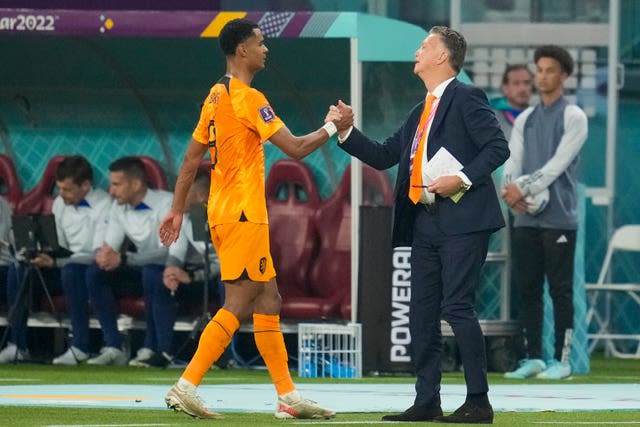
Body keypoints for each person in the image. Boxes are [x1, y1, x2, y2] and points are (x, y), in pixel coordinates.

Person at [158, 18, 348, 420]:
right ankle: (186, 384)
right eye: (261, 43)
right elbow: (296, 148)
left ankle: (287, 397)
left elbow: (192, 158)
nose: (266, 49)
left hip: (225, 213)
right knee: (241, 300)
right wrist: (335, 125)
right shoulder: (248, 97)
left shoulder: (215, 95)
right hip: (244, 213)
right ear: (242, 50)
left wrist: (176, 210)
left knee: (269, 298)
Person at [334, 26, 509, 423]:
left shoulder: (466, 97)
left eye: (425, 46)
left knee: (457, 307)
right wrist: (345, 130)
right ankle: (427, 399)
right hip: (426, 221)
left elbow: (498, 147)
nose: (417, 51)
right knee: (421, 314)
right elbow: (382, 155)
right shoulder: (420, 110)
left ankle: (478, 401)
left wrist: (461, 178)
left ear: (444, 57)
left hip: (464, 220)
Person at [502, 45, 588, 380]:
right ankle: (533, 357)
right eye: (539, 69)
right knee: (529, 289)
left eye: (550, 70)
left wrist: (521, 189)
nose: (542, 76)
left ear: (563, 75)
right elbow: (513, 159)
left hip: (559, 217)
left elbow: (557, 166)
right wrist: (510, 190)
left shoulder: (574, 117)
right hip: (525, 216)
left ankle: (561, 361)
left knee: (560, 290)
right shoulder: (525, 119)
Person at [0, 156, 111, 365]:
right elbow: (57, 244)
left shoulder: (104, 204)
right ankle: (18, 345)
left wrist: (58, 263)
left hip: (87, 269)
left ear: (86, 185)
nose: (61, 194)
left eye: (67, 189)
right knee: (20, 268)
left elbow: (97, 253)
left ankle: (80, 347)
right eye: (59, 188)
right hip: (62, 265)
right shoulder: (60, 203)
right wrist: (43, 255)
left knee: (73, 270)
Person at [86, 156, 173, 367]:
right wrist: (105, 255)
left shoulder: (167, 203)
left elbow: (168, 252)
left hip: (168, 270)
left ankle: (151, 346)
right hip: (137, 268)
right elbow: (111, 246)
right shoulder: (118, 207)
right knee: (94, 272)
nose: (111, 191)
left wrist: (124, 258)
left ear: (135, 184)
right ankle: (114, 346)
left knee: (152, 271)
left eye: (116, 185)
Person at [491, 64, 534, 139]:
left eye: (526, 83)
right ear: (505, 88)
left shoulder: (539, 116)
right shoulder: (490, 119)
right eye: (516, 83)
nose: (522, 89)